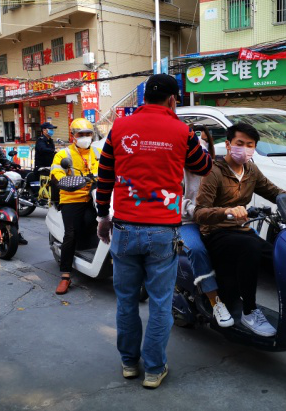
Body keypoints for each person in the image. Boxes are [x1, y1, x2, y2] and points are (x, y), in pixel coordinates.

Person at [95, 74, 212, 389]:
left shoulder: (119, 127)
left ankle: (129, 363)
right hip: (163, 230)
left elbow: (104, 176)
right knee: (160, 303)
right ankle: (154, 369)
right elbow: (203, 167)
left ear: (144, 97)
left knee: (126, 301)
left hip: (124, 228)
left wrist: (102, 216)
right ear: (172, 100)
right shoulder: (182, 131)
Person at [194, 123, 286, 337]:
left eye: (250, 145)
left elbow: (274, 192)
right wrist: (227, 211)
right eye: (240, 143)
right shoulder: (213, 172)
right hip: (216, 232)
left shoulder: (251, 170)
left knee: (281, 255)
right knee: (251, 247)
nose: (245, 149)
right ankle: (249, 312)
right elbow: (200, 212)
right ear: (228, 144)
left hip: (240, 230)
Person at [181, 126, 233, 327]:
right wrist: (197, 211)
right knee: (197, 250)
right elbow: (173, 200)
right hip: (186, 222)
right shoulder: (176, 168)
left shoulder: (214, 166)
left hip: (212, 219)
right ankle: (215, 301)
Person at [49, 118, 100, 295]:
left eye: (88, 134)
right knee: (71, 233)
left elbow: (112, 168)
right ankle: (65, 275)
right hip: (72, 198)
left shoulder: (98, 152)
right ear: (73, 136)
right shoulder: (63, 154)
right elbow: (57, 174)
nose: (85, 137)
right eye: (81, 134)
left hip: (95, 196)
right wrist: (73, 181)